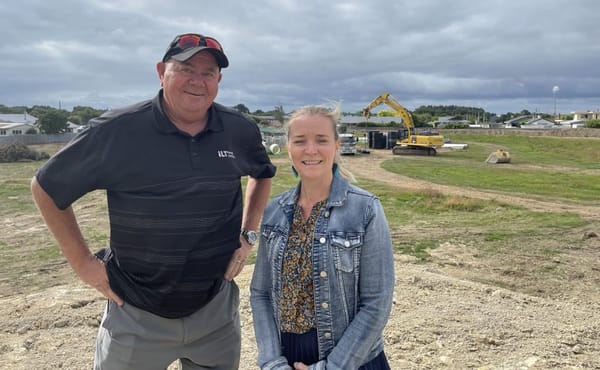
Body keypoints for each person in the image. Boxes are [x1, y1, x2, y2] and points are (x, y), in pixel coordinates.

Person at [30, 33, 276, 370]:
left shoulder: (238, 129)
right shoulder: (117, 131)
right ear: (162, 71)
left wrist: (249, 235)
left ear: (219, 80)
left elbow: (263, 173)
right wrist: (83, 264)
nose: (198, 81)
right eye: (186, 68)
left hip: (215, 310)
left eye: (208, 73)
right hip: (136, 314)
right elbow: (45, 186)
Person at [250, 105, 395, 370]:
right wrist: (272, 362)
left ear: (336, 146)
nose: (311, 150)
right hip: (288, 357)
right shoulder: (274, 212)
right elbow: (261, 293)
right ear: (288, 147)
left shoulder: (365, 210)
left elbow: (377, 303)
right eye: (300, 141)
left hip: (353, 359)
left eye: (321, 140)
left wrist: (332, 367)